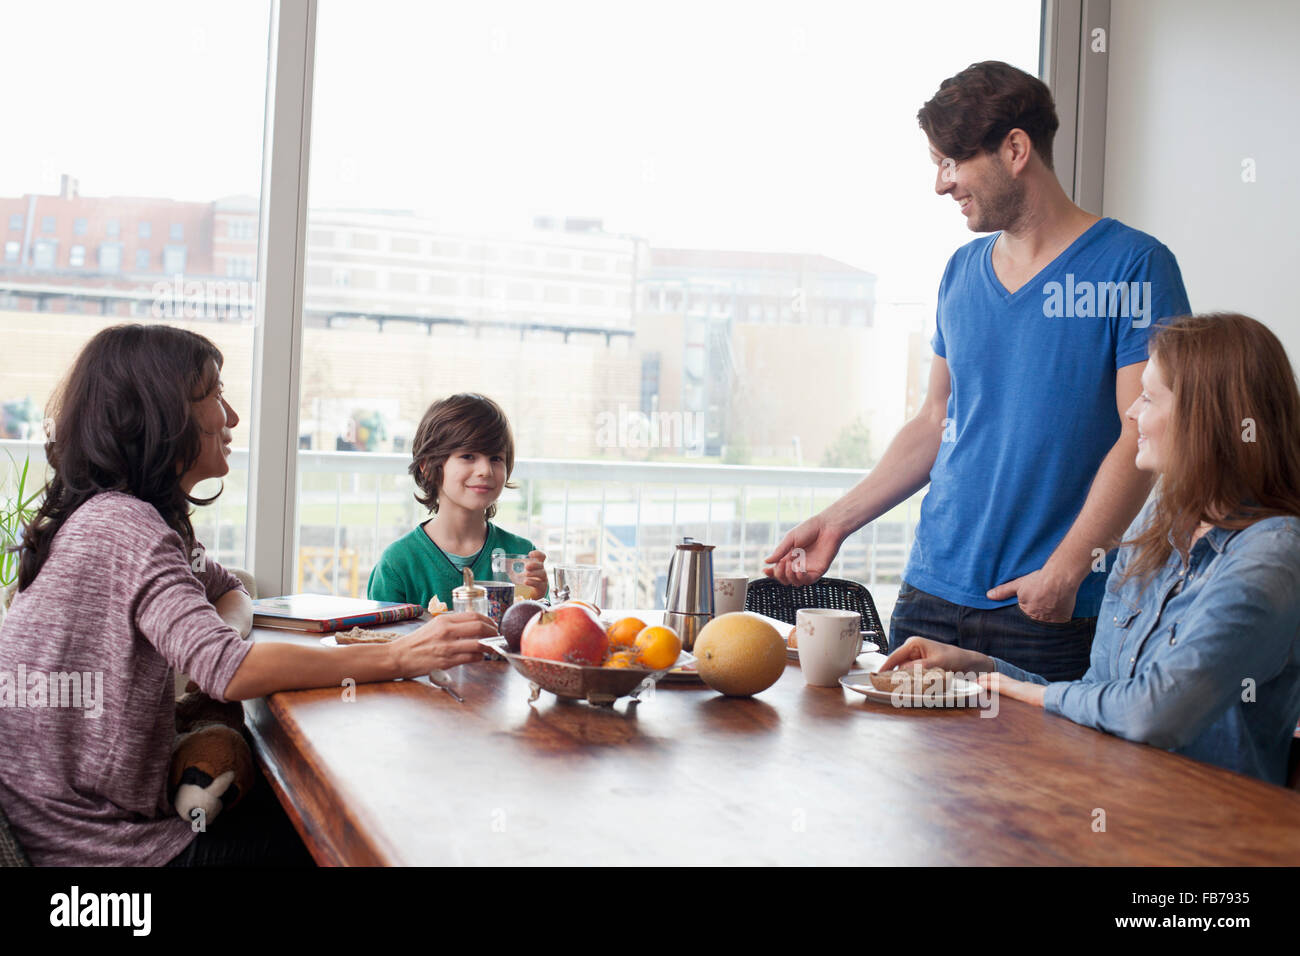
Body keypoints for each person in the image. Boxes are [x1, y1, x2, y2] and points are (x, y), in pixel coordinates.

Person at [0, 325, 498, 866]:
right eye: (214, 395)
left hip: (99, 828)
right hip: (103, 855)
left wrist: (221, 634)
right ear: (161, 416)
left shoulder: (122, 518)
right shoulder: (124, 527)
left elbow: (228, 590)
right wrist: (400, 656)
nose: (232, 416)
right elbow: (229, 673)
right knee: (348, 835)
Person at [765, 61, 1191, 682]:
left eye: (951, 163)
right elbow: (934, 421)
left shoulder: (1134, 265)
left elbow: (1142, 430)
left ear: (1015, 149)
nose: (942, 185)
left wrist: (1069, 568)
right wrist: (836, 521)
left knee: (1038, 783)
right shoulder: (961, 272)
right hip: (930, 594)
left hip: (1044, 605)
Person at [882, 314, 1300, 785]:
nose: (1132, 412)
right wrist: (980, 667)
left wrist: (1030, 693)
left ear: (1205, 417)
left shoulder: (1273, 554)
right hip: (1108, 801)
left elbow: (1151, 713)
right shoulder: (1156, 530)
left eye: (1150, 396)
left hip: (1203, 838)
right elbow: (1099, 699)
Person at [367, 393, 548, 609]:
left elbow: (538, 636)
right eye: (468, 456)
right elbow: (383, 640)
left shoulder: (520, 555)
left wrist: (537, 601)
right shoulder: (398, 563)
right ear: (427, 467)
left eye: (496, 458)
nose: (485, 470)